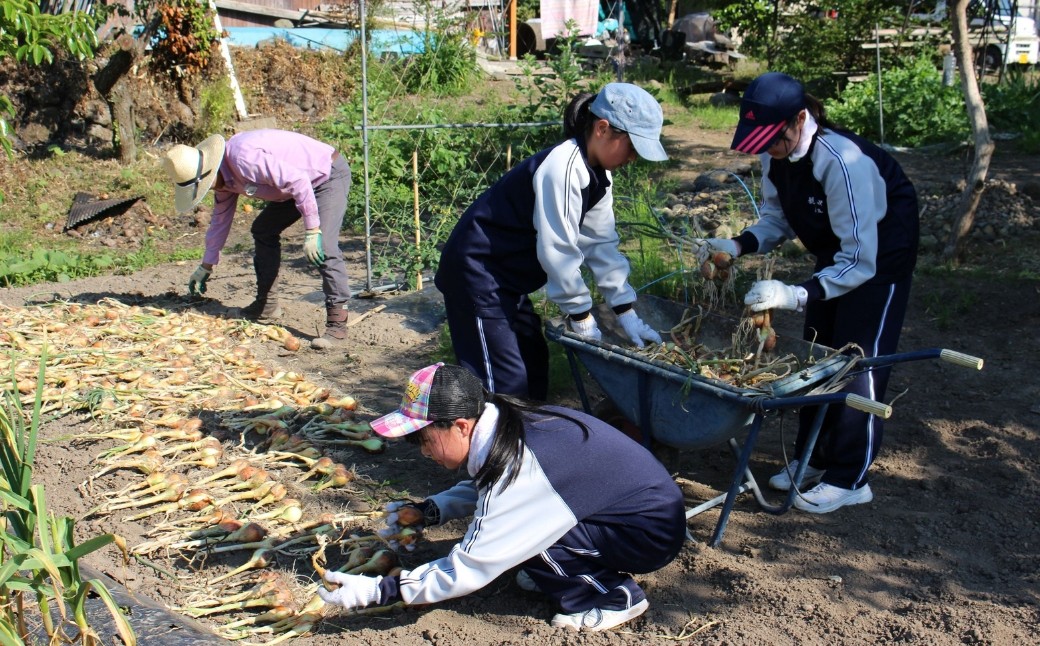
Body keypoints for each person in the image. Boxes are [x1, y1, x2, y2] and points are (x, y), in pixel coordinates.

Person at [317, 362, 686, 632]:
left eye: (423, 439)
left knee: (526, 538)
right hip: (625, 512)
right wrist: (431, 510)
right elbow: (493, 489)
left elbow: (471, 566)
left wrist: (380, 590)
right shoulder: (503, 423)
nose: (422, 451)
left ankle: (612, 596)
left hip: (648, 535)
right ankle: (568, 570)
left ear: (461, 425)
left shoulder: (524, 465)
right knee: (522, 532)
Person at [700, 72, 920, 514]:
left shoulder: (842, 162)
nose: (769, 149)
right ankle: (814, 457)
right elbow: (777, 219)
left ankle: (850, 477)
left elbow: (860, 258)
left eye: (774, 139)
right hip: (835, 252)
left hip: (878, 257)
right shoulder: (773, 154)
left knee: (859, 359)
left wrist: (796, 294)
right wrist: (738, 244)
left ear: (800, 118)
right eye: (761, 141)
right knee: (820, 356)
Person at [434, 83, 666, 400]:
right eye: (633, 147)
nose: (634, 159)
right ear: (602, 128)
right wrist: (581, 315)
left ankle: (529, 440)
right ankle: (490, 445)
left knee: (534, 361)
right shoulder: (563, 167)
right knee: (504, 383)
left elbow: (601, 245)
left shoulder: (600, 176)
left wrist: (626, 311)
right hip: (477, 272)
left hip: (506, 279)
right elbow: (558, 251)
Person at [161, 129, 352, 350]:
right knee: (263, 229)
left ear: (209, 173)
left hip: (325, 176)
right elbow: (220, 221)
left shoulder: (244, 158)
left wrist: (312, 230)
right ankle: (267, 306)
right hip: (293, 187)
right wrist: (206, 264)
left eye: (206, 186)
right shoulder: (224, 181)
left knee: (324, 245)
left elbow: (299, 181)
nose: (210, 190)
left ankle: (338, 324)